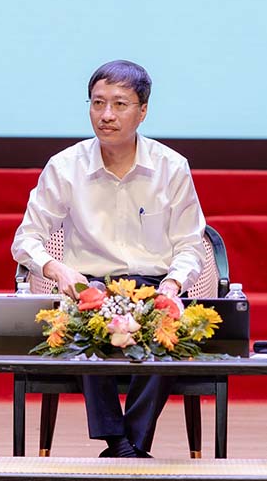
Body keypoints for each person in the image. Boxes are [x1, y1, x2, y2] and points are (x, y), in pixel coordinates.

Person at [11, 59, 207, 458]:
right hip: (91, 286)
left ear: (143, 111)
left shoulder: (171, 167)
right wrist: (56, 267)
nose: (106, 115)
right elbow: (26, 239)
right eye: (98, 103)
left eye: (119, 104)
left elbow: (190, 244)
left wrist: (173, 284)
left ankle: (125, 446)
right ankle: (123, 447)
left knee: (167, 328)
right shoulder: (65, 167)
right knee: (81, 319)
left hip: (152, 287)